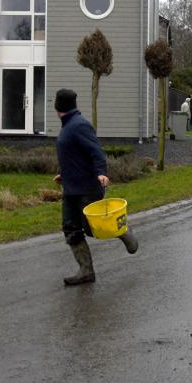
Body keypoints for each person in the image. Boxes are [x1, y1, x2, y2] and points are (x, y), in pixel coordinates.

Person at [53, 89, 138, 286]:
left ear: (58, 107)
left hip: (87, 188)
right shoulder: (68, 126)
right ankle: (86, 271)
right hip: (71, 188)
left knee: (93, 229)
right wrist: (64, 175)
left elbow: (96, 152)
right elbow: (74, 156)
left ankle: (123, 230)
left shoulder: (79, 125)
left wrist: (101, 172)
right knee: (71, 229)